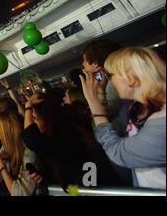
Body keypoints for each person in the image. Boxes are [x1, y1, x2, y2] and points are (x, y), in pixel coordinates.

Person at [81, 47, 166, 189]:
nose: (110, 80)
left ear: (130, 79)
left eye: (111, 75)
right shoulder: (137, 106)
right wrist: (100, 93)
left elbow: (116, 150)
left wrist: (93, 102)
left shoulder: (162, 123)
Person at [22, 90, 120, 188]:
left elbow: (31, 138)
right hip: (90, 189)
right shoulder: (69, 132)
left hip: (99, 190)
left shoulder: (64, 139)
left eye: (35, 119)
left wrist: (28, 106)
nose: (34, 125)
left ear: (46, 117)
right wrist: (45, 179)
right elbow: (72, 185)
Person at [81, 40, 126, 134]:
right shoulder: (113, 80)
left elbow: (103, 127)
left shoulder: (113, 85)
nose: (83, 64)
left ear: (96, 64)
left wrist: (92, 98)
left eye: (84, 60)